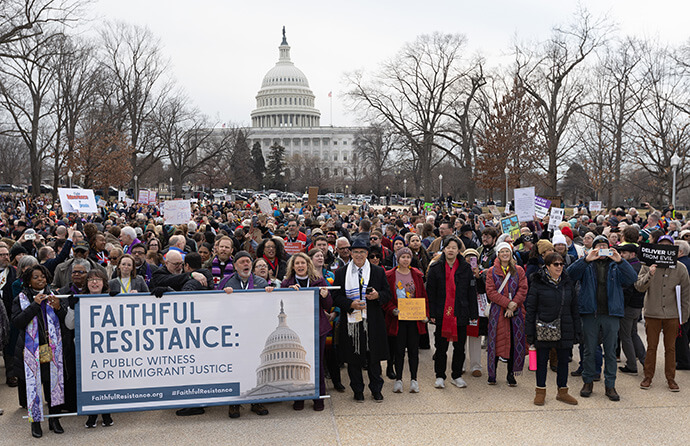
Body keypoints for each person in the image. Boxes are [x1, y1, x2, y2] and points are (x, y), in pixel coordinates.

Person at [567, 235, 637, 401]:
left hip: (611, 314)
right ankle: (588, 381)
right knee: (589, 350)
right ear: (593, 248)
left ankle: (610, 385)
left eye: (605, 246)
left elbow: (632, 279)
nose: (601, 250)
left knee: (611, 351)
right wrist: (585, 259)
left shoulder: (616, 265)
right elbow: (569, 275)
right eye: (598, 246)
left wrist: (620, 261)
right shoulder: (587, 264)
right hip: (590, 313)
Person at [332, 237, 391, 403]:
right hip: (351, 321)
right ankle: (357, 390)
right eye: (356, 252)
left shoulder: (377, 271)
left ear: (367, 253)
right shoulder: (341, 273)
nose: (359, 255)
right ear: (350, 253)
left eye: (362, 252)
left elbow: (388, 294)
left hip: (372, 320)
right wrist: (350, 303)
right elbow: (336, 297)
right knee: (353, 358)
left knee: (374, 358)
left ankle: (376, 389)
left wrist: (378, 295)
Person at [12, 265, 67, 438]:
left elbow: (65, 321)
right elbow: (18, 322)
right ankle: (35, 423)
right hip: (31, 350)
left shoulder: (54, 294)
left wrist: (59, 308)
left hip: (52, 349)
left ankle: (54, 419)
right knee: (34, 386)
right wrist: (34, 305)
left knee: (53, 384)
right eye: (36, 277)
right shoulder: (21, 298)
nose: (40, 279)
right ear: (28, 280)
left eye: (43, 276)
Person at [635, 235, 690, 391]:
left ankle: (671, 379)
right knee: (652, 347)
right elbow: (639, 286)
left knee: (671, 348)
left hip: (672, 314)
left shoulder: (681, 268)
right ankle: (648, 377)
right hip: (652, 312)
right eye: (662, 246)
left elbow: (686, 294)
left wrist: (683, 316)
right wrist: (650, 274)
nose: (665, 249)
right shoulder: (647, 265)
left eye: (668, 246)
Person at [525, 253, 580, 406]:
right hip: (544, 327)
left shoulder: (568, 283)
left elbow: (574, 307)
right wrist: (529, 331)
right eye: (555, 264)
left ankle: (563, 391)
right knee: (541, 361)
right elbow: (531, 308)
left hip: (565, 326)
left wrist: (577, 330)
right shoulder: (537, 283)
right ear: (547, 266)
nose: (559, 267)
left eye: (561, 264)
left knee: (563, 361)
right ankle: (540, 391)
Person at [223, 251, 273, 418]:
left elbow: (268, 306)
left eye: (248, 262)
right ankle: (234, 403)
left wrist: (269, 294)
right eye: (242, 262)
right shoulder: (227, 282)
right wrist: (223, 295)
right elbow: (216, 304)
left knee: (254, 365)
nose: (246, 265)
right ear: (235, 265)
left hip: (254, 331)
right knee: (235, 366)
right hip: (234, 332)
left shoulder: (260, 282)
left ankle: (256, 400)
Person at [281, 252, 332, 411]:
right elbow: (282, 304)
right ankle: (300, 397)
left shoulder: (319, 280)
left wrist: (325, 295)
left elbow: (328, 305)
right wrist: (288, 294)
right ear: (293, 266)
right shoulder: (286, 282)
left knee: (317, 363)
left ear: (308, 264)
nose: (300, 266)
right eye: (297, 264)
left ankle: (318, 397)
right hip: (297, 329)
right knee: (298, 364)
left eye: (303, 263)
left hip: (317, 327)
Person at [426, 236, 477, 389]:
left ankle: (456, 375)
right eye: (448, 247)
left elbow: (471, 291)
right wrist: (432, 313)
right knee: (441, 346)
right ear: (443, 249)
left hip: (461, 311)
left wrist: (473, 313)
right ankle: (440, 375)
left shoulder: (466, 268)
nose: (451, 250)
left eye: (454, 247)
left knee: (459, 346)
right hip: (442, 312)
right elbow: (431, 293)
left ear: (459, 250)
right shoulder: (435, 268)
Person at [384, 247, 428, 393]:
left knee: (414, 350)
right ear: (398, 258)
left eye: (408, 257)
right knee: (399, 350)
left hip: (414, 318)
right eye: (403, 257)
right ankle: (398, 379)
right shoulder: (390, 275)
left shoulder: (416, 275)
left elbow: (423, 296)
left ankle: (414, 379)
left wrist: (425, 313)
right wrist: (392, 310)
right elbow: (387, 298)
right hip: (398, 318)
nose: (405, 260)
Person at [485, 242, 528, 386]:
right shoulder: (491, 271)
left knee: (514, 342)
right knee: (495, 341)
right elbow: (490, 292)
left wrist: (513, 305)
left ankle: (511, 374)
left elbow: (523, 288)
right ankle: (493, 373)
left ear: (511, 254)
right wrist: (507, 303)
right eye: (502, 251)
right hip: (497, 312)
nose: (505, 254)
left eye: (507, 252)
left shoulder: (519, 270)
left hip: (516, 312)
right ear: (498, 254)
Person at [81, 269, 114, 428]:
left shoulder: (112, 298)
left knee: (106, 381)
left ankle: (107, 413)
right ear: (86, 284)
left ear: (104, 282)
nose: (94, 283)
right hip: (87, 349)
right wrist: (73, 308)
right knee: (90, 381)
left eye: (98, 280)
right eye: (91, 280)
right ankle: (92, 414)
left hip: (108, 347)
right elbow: (69, 324)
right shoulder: (79, 300)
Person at [617, 243, 646, 375]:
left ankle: (631, 365)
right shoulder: (640, 265)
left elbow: (627, 289)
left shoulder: (631, 267)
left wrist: (621, 307)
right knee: (633, 333)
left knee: (626, 336)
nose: (621, 255)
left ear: (632, 254)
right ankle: (645, 361)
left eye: (624, 253)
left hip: (628, 307)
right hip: (637, 306)